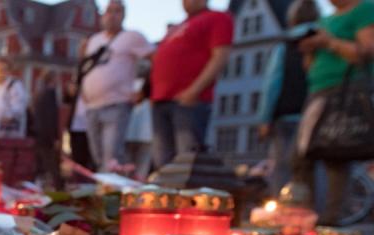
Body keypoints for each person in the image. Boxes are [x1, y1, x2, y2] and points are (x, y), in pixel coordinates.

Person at [294, 0, 374, 225]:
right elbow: (310, 66)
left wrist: (328, 42)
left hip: (345, 91)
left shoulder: (365, 9)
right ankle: (305, 218)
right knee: (302, 156)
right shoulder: (325, 20)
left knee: (337, 154)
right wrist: (309, 49)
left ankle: (329, 222)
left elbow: (365, 52)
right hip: (318, 92)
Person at [151, 0, 234, 167]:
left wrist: (195, 90)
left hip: (188, 99)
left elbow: (220, 57)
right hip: (161, 99)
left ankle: (185, 193)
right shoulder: (179, 26)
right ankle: (166, 194)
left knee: (187, 161)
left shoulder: (217, 18)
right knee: (163, 160)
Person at [80, 1, 154, 171]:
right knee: (98, 158)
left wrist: (145, 90)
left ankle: (114, 194)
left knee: (112, 157)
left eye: (117, 11)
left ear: (123, 15)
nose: (112, 16)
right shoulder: (94, 40)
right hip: (92, 106)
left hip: (117, 103)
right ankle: (105, 191)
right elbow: (85, 68)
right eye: (108, 11)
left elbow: (155, 60)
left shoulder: (132, 37)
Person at [256, 1, 320, 196]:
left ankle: (282, 210)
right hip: (318, 113)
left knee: (282, 166)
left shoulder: (285, 46)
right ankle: (317, 212)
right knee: (316, 166)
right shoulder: (324, 39)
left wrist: (264, 118)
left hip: (287, 116)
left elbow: (272, 84)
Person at [32, 71, 62, 189]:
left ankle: (40, 185)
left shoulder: (39, 94)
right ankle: (57, 187)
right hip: (47, 135)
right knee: (52, 164)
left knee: (41, 163)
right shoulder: (51, 93)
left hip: (39, 133)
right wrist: (55, 137)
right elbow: (51, 116)